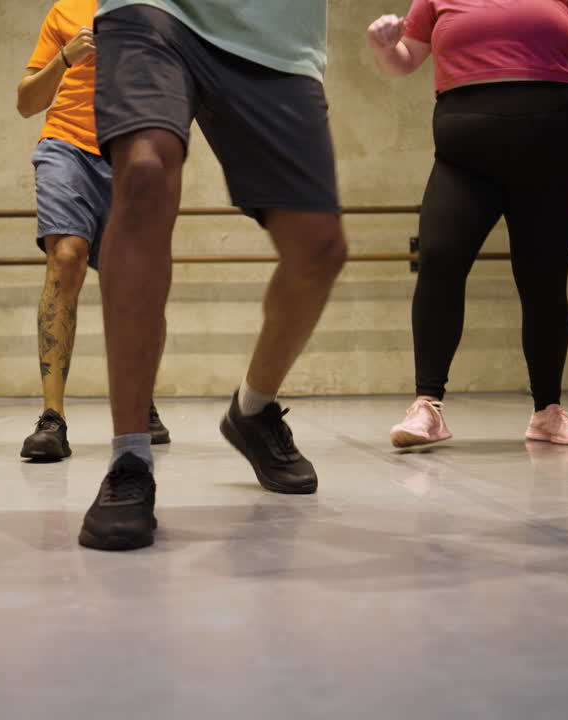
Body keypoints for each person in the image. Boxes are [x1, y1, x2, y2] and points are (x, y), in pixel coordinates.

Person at [77, 0, 349, 551]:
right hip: (152, 11)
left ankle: (252, 410)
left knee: (318, 248)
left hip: (275, 35)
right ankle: (130, 456)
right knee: (144, 173)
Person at [367, 1, 568, 450]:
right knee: (438, 258)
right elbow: (405, 60)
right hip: (464, 154)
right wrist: (384, 48)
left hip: (550, 147)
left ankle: (548, 411)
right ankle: (427, 406)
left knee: (544, 278)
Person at [15, 0, 170, 462]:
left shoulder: (161, 9)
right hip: (66, 146)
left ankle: (140, 401)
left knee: (140, 285)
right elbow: (26, 102)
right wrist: (66, 59)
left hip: (133, 150)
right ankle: (52, 420)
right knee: (65, 256)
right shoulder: (65, 10)